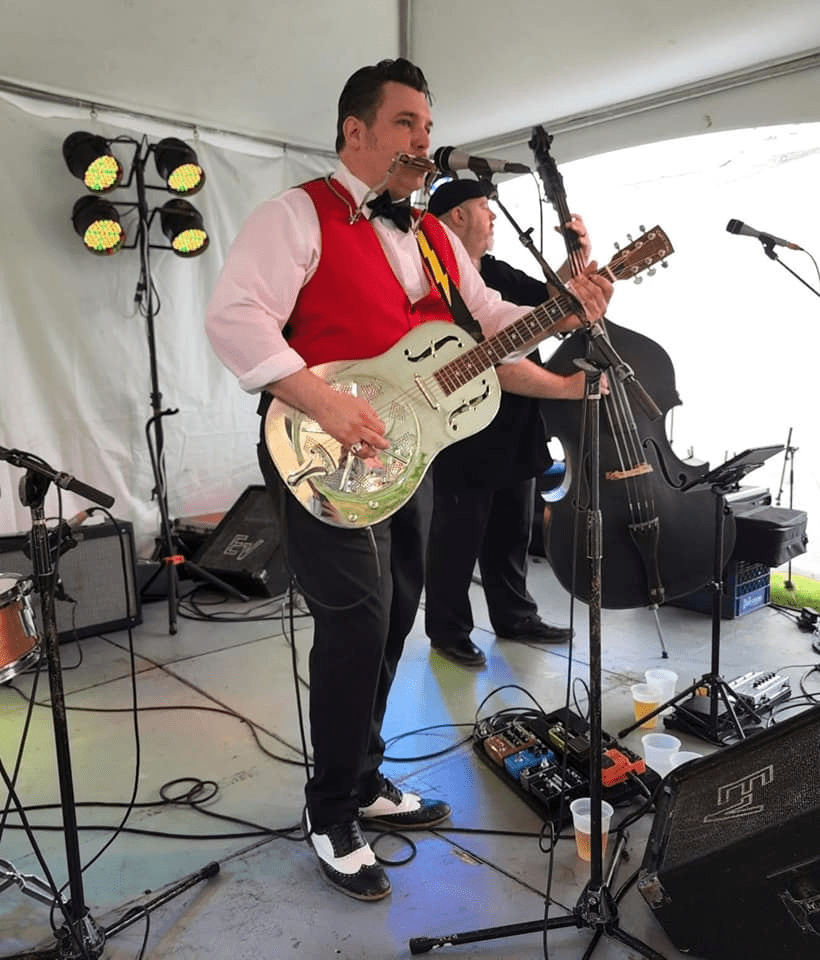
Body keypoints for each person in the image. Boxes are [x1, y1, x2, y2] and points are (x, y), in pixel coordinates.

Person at [205, 58, 612, 902]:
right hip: (319, 447)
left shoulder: (432, 236)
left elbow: (491, 323)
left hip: (407, 454)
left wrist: (567, 308)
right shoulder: (296, 215)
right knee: (356, 619)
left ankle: (363, 777)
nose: (424, 140)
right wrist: (327, 401)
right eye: (405, 124)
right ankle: (329, 810)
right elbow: (235, 318)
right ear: (354, 131)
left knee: (395, 613)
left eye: (428, 126)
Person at [424, 178, 593, 667]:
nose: (494, 215)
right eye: (484, 206)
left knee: (510, 535)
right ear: (457, 215)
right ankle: (449, 631)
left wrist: (578, 258)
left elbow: (549, 304)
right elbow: (486, 361)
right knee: (455, 541)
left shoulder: (496, 271)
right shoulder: (432, 278)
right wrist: (565, 387)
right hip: (461, 435)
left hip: (515, 429)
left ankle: (515, 616)